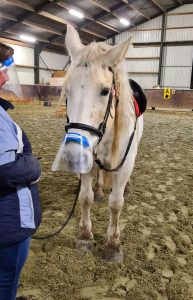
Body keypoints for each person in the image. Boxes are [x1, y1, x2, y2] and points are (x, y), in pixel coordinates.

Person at [0, 42, 42, 300]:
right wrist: (33, 166)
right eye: (1, 69)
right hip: (8, 223)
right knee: (7, 276)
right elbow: (7, 169)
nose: (5, 76)